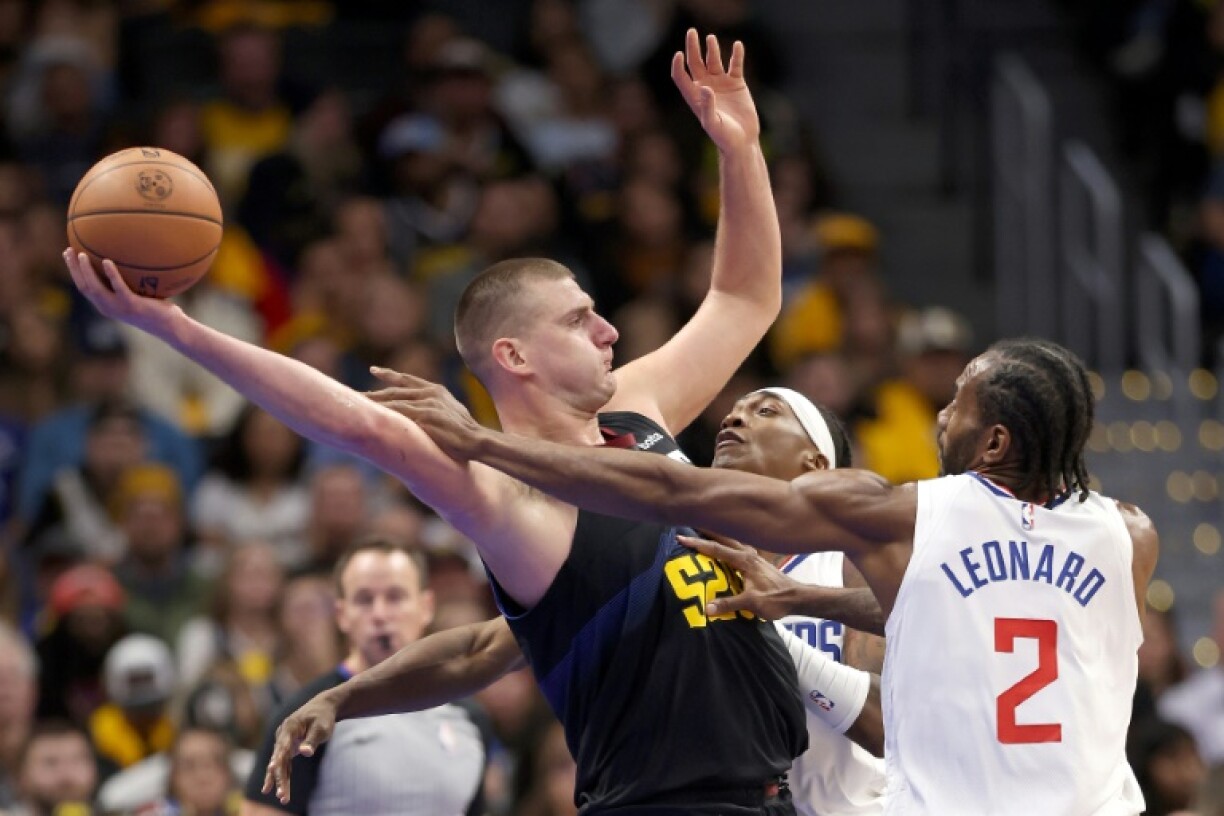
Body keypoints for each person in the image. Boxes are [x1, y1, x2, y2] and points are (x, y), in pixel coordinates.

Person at [65, 29, 807, 815]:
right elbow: (354, 423)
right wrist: (179, 330)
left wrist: (740, 148)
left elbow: (744, 300)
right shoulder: (508, 496)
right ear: (514, 355)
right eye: (580, 319)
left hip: (775, 794)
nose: (610, 332)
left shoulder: (636, 409)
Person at [387, 337, 1159, 816]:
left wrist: (484, 444)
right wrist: (801, 600)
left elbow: (668, 488)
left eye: (955, 405)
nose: (936, 418)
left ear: (992, 441)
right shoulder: (1130, 534)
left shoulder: (897, 519)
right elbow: (1012, 613)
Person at [264, 386, 887, 816]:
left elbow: (891, 725)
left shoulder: (852, 560)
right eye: (737, 406)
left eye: (767, 410)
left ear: (815, 460)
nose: (734, 416)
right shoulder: (675, 555)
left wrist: (767, 628)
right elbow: (485, 648)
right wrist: (344, 695)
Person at [240, 536, 486, 816]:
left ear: (426, 607)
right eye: (364, 600)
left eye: (395, 597)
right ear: (342, 615)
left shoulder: (470, 719)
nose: (380, 614)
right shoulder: (307, 717)